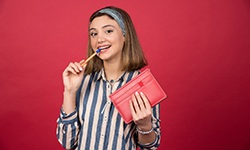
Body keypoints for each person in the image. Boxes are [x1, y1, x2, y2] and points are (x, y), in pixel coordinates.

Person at [56, 6, 161, 150]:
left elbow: (150, 147)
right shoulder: (83, 82)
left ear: (125, 35)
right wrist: (69, 92)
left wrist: (145, 125)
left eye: (108, 31)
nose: (99, 39)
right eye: (93, 34)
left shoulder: (142, 85)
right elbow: (68, 143)